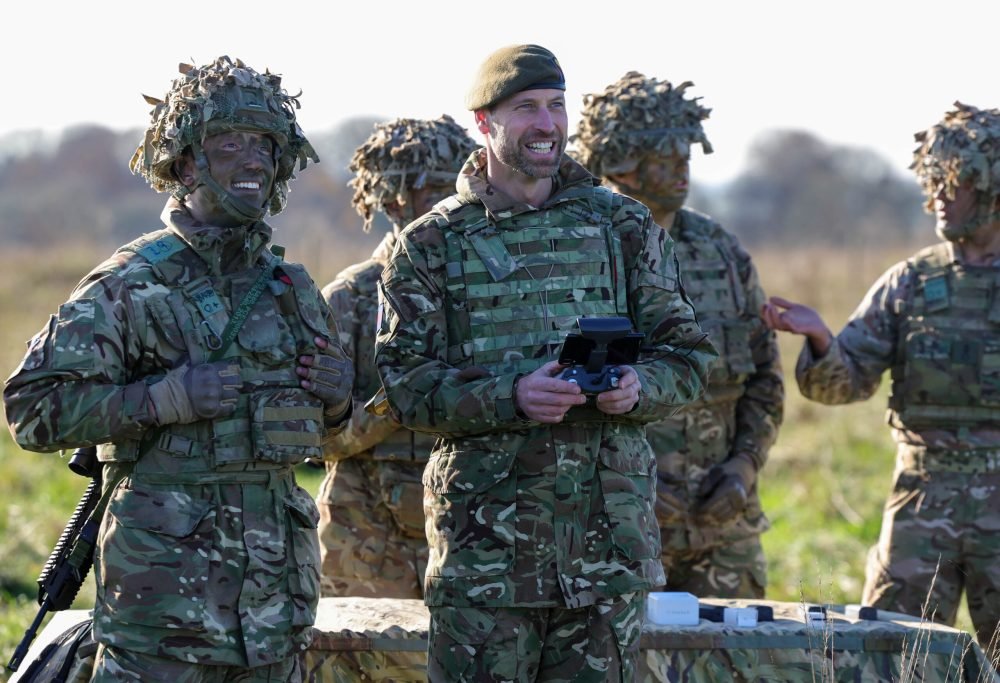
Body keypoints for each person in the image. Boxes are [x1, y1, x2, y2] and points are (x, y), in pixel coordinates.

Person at [3, 56, 354, 681]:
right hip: (163, 616)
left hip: (276, 616)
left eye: (265, 146)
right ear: (186, 163)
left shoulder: (290, 289)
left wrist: (335, 400)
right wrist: (164, 399)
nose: (252, 161)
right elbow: (31, 410)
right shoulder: (132, 284)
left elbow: (322, 435)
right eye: (229, 145)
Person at [373, 44, 716, 681]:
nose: (547, 123)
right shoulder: (429, 244)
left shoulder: (624, 226)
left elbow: (690, 357)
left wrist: (640, 386)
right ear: (484, 122)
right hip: (486, 557)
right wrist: (514, 396)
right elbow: (404, 383)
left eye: (557, 106)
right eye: (526, 107)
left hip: (606, 553)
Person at [762, 102, 1000, 657]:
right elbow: (841, 384)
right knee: (892, 655)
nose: (941, 194)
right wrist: (821, 339)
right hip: (922, 503)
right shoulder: (912, 283)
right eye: (933, 179)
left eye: (957, 181)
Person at [574, 72, 783, 599]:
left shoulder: (722, 251)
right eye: (663, 157)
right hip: (615, 531)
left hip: (723, 527)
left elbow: (765, 376)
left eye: (685, 152)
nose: (682, 167)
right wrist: (621, 484)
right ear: (620, 161)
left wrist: (743, 467)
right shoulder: (577, 250)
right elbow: (555, 388)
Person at [318, 115, 478, 598]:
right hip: (365, 543)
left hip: (470, 537)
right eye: (434, 189)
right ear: (393, 199)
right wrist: (400, 398)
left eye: (461, 184)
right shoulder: (351, 298)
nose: (454, 200)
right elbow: (314, 440)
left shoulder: (489, 290)